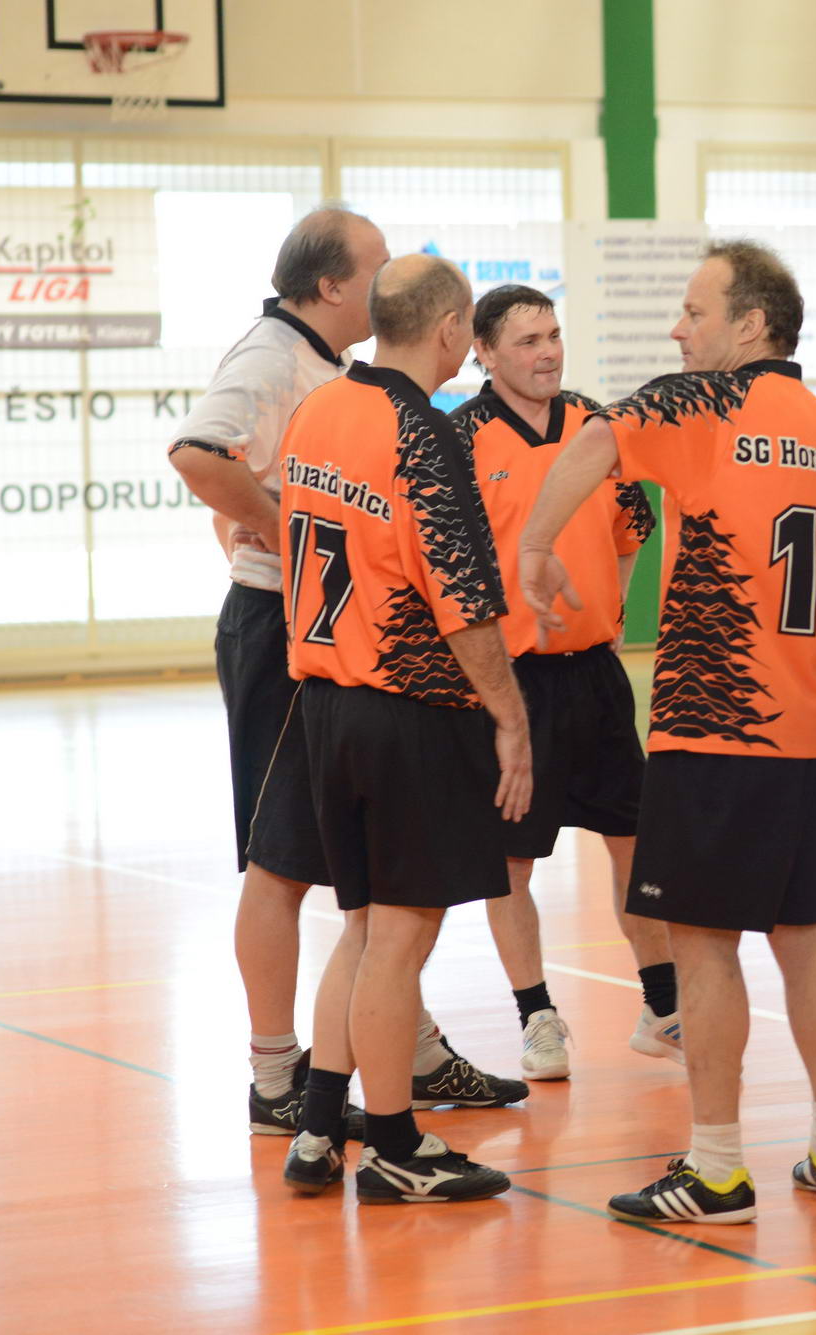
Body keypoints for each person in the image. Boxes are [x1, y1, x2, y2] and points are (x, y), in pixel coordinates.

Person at [518, 241, 816, 1223]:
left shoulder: (704, 404)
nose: (678, 329)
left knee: (702, 943)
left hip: (714, 727)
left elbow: (594, 439)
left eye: (695, 312)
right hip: (810, 732)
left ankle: (714, 1169)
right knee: (801, 933)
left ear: (751, 325)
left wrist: (534, 544)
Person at [166, 209, 519, 1137]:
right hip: (292, 632)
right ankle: (275, 1070)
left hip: (336, 632)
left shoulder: (341, 379)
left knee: (377, 886)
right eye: (375, 266)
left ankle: (407, 1049)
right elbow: (198, 451)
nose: (388, 278)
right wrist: (276, 528)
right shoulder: (275, 357)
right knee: (281, 862)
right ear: (330, 286)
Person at [275, 254, 529, 1203]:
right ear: (454, 329)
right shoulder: (424, 432)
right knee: (400, 936)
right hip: (406, 707)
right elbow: (462, 599)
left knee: (363, 927)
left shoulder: (319, 408)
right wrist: (510, 716)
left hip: (326, 704)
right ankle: (392, 1145)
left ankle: (317, 1128)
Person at [450, 284, 682, 1078]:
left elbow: (633, 527)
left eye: (553, 335)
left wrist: (613, 610)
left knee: (634, 840)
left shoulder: (596, 426)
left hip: (594, 677)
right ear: (484, 351)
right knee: (511, 861)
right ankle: (536, 1016)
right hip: (511, 684)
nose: (547, 352)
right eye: (527, 341)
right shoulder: (461, 439)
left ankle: (662, 1006)